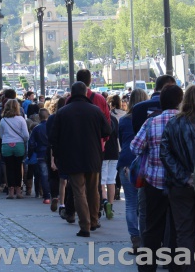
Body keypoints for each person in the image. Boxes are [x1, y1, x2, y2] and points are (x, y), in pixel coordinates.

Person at [131, 84, 183, 272]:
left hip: (155, 182)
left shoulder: (152, 122)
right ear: (180, 101)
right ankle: (175, 266)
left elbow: (135, 147)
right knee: (177, 229)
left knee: (152, 228)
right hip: (180, 183)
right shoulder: (185, 121)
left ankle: (147, 267)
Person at [159, 85, 195, 272]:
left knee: (184, 234)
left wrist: (184, 177)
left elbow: (165, 154)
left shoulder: (174, 123)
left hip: (179, 187)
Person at [49, 82, 111, 237]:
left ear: (71, 93)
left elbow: (53, 138)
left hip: (72, 157)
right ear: (85, 93)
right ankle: (94, 220)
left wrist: (57, 156)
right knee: (93, 191)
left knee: (79, 192)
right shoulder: (95, 111)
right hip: (93, 156)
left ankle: (85, 226)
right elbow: (107, 130)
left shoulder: (62, 112)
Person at [118, 88, 148, 254]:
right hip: (143, 164)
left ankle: (135, 239)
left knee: (130, 203)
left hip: (125, 162)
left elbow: (121, 141)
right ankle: (146, 239)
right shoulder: (149, 119)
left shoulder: (124, 120)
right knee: (144, 205)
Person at [0, 99, 29, 199]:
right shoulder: (21, 119)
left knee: (9, 168)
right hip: (19, 144)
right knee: (18, 168)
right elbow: (26, 135)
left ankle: (10, 191)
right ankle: (19, 191)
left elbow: (1, 134)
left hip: (6, 144)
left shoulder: (3, 120)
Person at [27, 108, 51, 204]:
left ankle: (47, 196)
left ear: (39, 117)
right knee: (53, 175)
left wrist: (30, 154)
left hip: (41, 153)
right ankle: (55, 195)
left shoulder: (37, 128)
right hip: (52, 153)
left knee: (44, 175)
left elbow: (31, 143)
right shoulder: (52, 127)